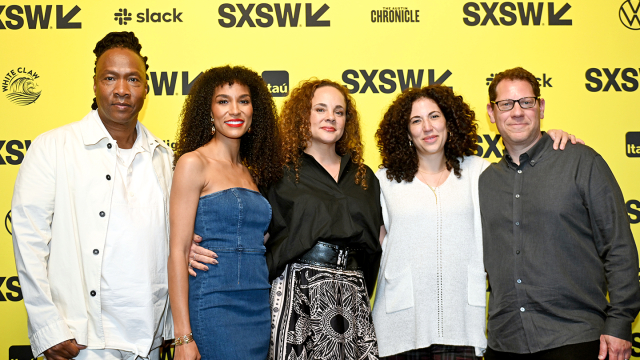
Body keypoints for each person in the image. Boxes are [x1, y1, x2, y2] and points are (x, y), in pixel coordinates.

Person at [372, 84, 578, 360]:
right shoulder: (385, 180)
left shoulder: (480, 172)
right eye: (416, 121)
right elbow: (378, 240)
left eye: (434, 116)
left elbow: (525, 170)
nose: (427, 127)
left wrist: (549, 139)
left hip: (463, 328)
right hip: (400, 328)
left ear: (449, 121)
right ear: (406, 132)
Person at [11, 32, 173, 360]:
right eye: (110, 78)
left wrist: (172, 327)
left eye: (133, 79)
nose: (122, 90)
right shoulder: (53, 147)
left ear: (146, 88)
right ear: (95, 84)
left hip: (149, 338)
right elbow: (29, 241)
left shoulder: (164, 157)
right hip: (82, 339)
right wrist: (47, 326)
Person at [480, 67, 640, 360]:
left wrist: (620, 322)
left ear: (541, 107)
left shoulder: (581, 162)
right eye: (506, 104)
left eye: (526, 102)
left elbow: (618, 246)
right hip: (505, 343)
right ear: (492, 113)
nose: (517, 112)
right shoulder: (484, 180)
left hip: (574, 339)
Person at [168, 65, 282, 360]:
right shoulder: (194, 163)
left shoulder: (252, 173)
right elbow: (178, 252)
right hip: (214, 303)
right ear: (209, 110)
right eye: (223, 101)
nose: (235, 110)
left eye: (243, 101)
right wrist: (182, 337)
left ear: (255, 110)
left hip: (258, 305)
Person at [265, 79, 383, 360]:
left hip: (353, 294)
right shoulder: (278, 173)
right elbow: (257, 237)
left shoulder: (364, 176)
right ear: (302, 116)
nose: (330, 117)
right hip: (298, 292)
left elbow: (376, 243)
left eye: (339, 111)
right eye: (320, 109)